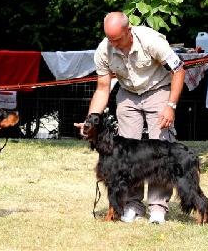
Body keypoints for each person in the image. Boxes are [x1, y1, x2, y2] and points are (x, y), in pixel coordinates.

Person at [74, 12, 185, 224]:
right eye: (109, 39)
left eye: (117, 39)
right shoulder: (103, 50)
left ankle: (158, 207)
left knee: (161, 149)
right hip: (127, 95)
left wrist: (171, 105)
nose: (113, 44)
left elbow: (179, 70)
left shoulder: (151, 40)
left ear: (129, 30)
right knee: (124, 155)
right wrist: (90, 121)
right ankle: (132, 205)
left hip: (158, 90)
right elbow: (103, 89)